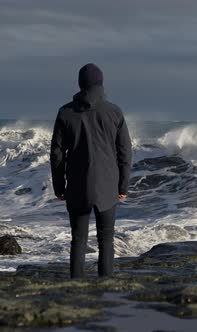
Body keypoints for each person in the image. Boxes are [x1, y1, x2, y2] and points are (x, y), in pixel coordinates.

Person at [50, 63, 132, 278]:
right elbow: (125, 152)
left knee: (78, 239)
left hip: (77, 185)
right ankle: (106, 289)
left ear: (80, 84)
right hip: (107, 186)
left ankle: (75, 288)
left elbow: (57, 155)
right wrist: (123, 186)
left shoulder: (65, 112)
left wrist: (59, 186)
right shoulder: (114, 112)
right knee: (106, 239)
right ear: (101, 84)